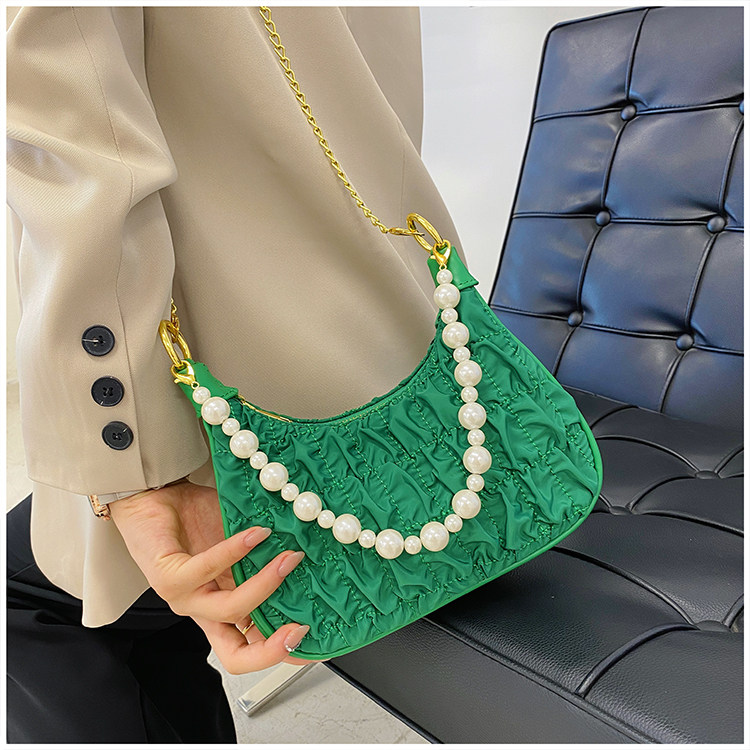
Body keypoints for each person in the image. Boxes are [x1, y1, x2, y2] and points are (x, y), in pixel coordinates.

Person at [6, 5, 466, 743]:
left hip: (240, 405)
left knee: (38, 599)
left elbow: (77, 143)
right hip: (423, 375)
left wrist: (133, 472)